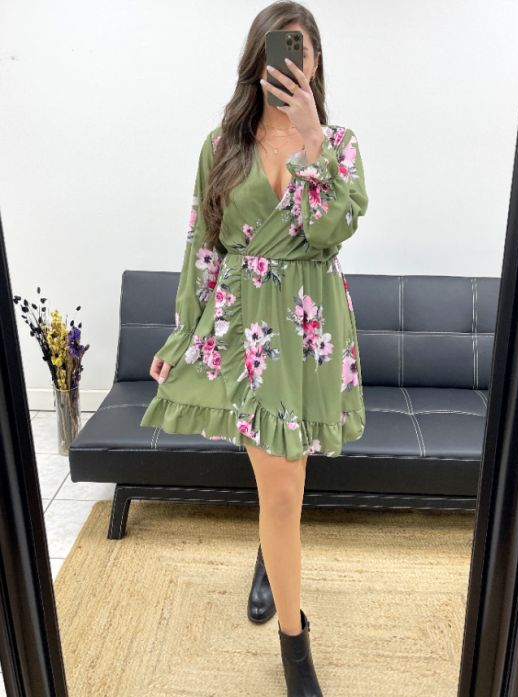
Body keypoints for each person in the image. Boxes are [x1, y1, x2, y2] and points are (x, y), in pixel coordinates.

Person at [140, 2, 368, 694]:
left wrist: (312, 139)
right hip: (248, 332)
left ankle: (272, 555)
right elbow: (203, 247)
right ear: (258, 58)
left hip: (310, 330)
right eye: (280, 47)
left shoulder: (339, 144)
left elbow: (332, 229)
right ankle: (296, 649)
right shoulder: (221, 146)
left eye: (304, 49)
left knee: (285, 486)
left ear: (316, 62)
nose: (292, 60)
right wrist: (184, 332)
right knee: (285, 486)